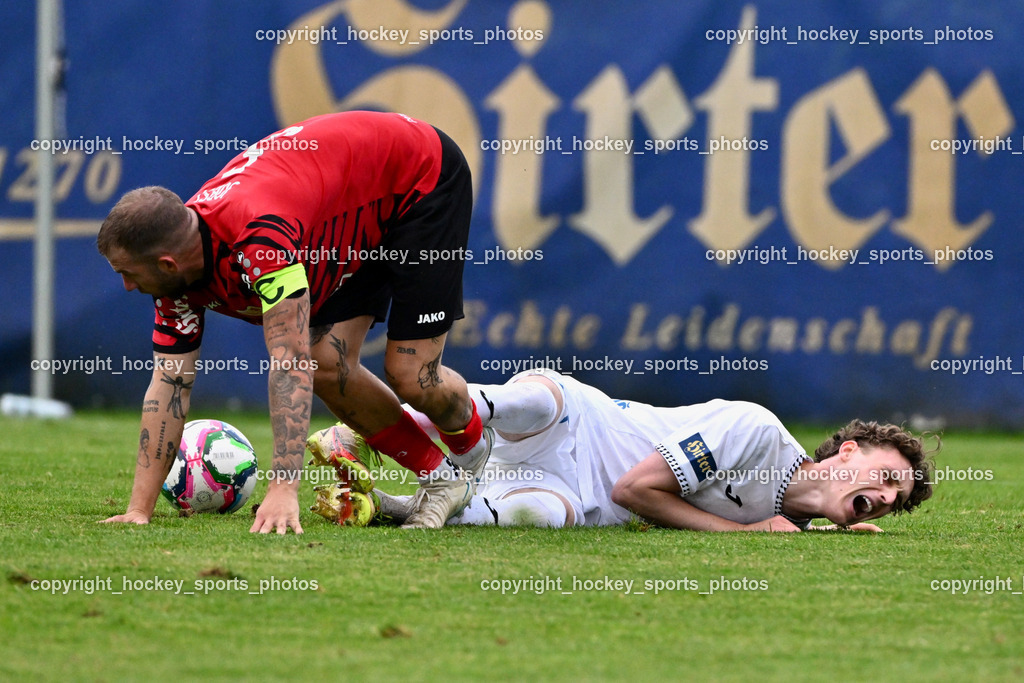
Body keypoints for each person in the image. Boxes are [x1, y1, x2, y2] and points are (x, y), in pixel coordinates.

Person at [96, 110, 492, 534]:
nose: (126, 286)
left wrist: (283, 487)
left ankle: (480, 458)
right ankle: (444, 481)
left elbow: (289, 362)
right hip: (348, 205)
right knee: (327, 365)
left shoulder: (258, 238)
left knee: (412, 376)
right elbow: (170, 382)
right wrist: (139, 510)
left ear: (167, 263)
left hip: (418, 176)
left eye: (129, 273)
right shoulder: (175, 275)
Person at [308, 370, 935, 532]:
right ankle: (364, 431)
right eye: (885, 477)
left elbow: (782, 519)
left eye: (892, 500)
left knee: (542, 517)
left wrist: (820, 527)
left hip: (581, 499)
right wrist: (743, 536)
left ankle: (372, 503)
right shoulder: (758, 430)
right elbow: (636, 489)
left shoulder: (793, 523)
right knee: (515, 407)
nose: (882, 499)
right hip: (578, 424)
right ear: (847, 450)